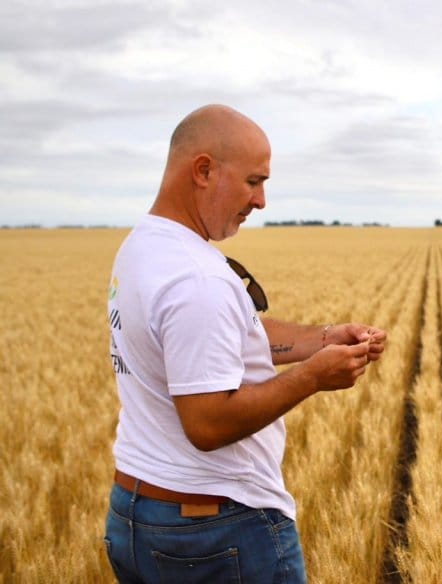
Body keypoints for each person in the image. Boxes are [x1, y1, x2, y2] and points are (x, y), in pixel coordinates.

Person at [103, 104, 387, 583]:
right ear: (204, 170)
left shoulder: (145, 247)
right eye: (254, 181)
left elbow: (224, 335)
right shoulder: (197, 278)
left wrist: (320, 340)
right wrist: (315, 377)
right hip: (213, 531)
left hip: (138, 514)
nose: (261, 202)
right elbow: (209, 424)